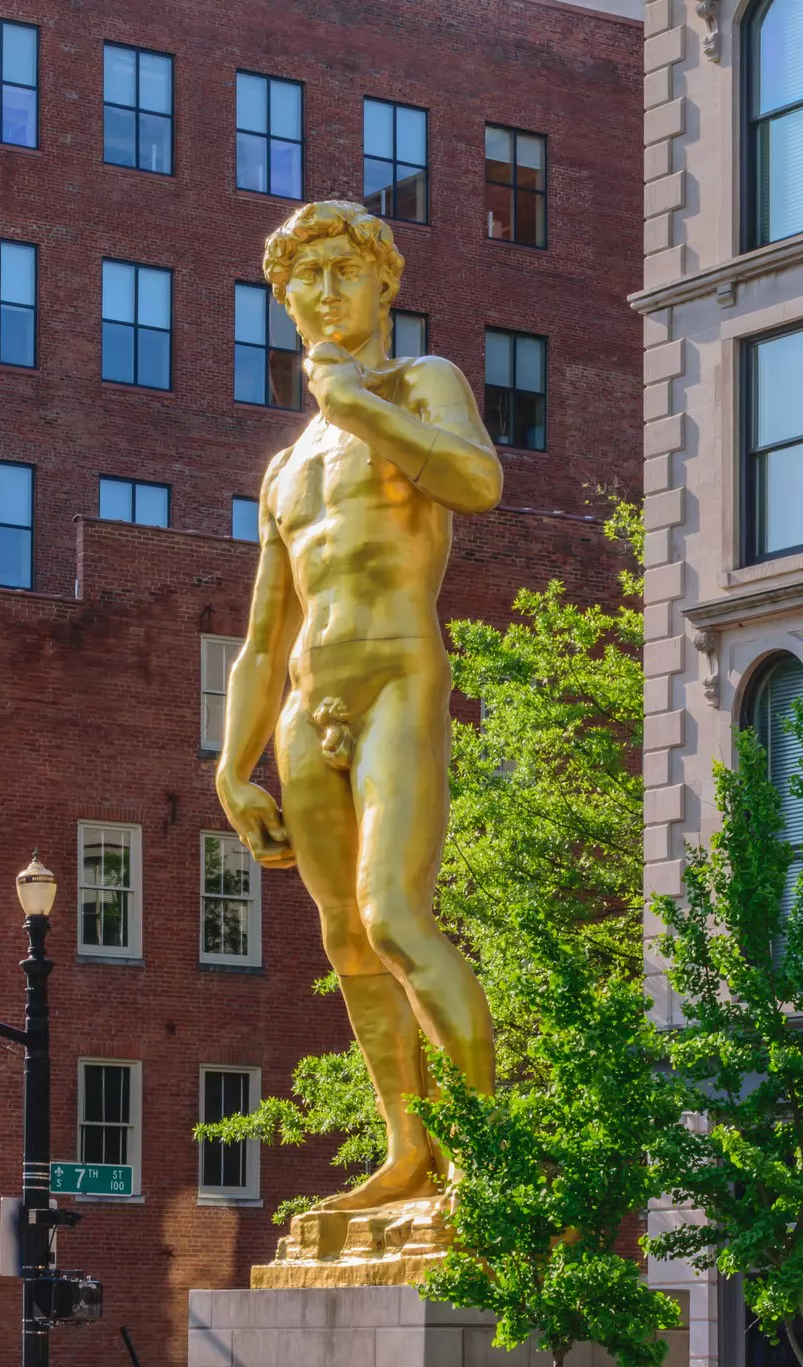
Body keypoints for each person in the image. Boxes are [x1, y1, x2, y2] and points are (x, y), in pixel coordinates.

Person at [214, 200, 501, 1212]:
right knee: (343, 940)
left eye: (344, 272)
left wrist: (353, 403)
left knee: (393, 915)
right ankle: (406, 1150)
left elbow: (475, 480)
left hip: (396, 680)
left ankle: (488, 1159)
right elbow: (260, 638)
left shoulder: (420, 385)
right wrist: (228, 767)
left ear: (385, 284)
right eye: (306, 281)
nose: (326, 293)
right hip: (306, 707)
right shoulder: (282, 468)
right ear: (285, 304)